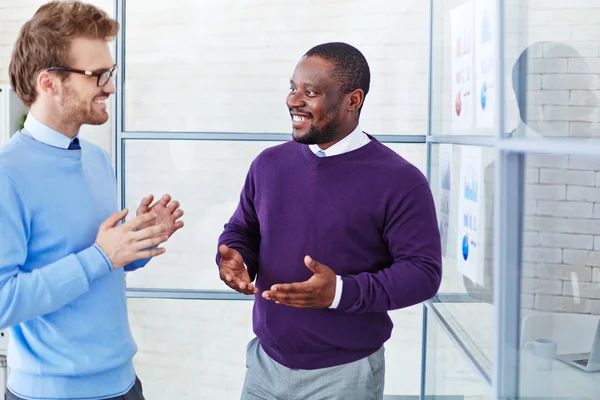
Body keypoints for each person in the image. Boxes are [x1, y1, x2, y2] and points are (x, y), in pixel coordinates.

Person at [217, 42, 442, 399]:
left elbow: (423, 273)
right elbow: (242, 229)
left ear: (353, 100)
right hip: (264, 365)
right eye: (293, 88)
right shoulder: (268, 164)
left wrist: (339, 292)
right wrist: (236, 258)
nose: (294, 101)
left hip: (344, 377)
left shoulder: (401, 181)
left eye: (311, 92)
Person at [0, 2, 184, 399]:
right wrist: (101, 256)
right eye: (98, 75)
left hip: (123, 383)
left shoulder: (96, 159)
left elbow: (102, 261)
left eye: (110, 73)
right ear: (49, 82)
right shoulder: (6, 174)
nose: (111, 87)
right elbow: (3, 300)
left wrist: (137, 243)